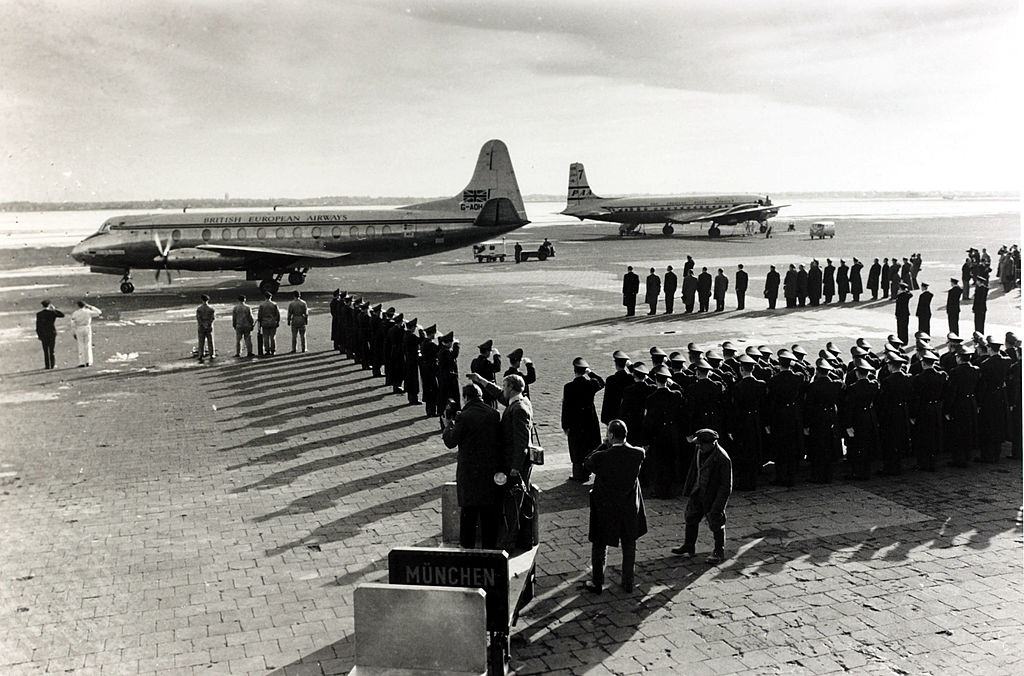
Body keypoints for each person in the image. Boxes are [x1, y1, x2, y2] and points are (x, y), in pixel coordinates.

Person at [580, 420, 647, 594]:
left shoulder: (601, 457)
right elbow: (635, 450)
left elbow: (586, 463)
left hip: (606, 508)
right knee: (629, 544)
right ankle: (628, 582)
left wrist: (603, 445)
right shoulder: (638, 454)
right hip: (628, 507)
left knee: (600, 545)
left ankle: (597, 582)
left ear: (610, 435)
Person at [442, 383, 503, 549]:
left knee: (469, 513)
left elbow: (450, 442)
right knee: (488, 513)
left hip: (469, 472)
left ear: (466, 397)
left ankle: (467, 548)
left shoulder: (464, 416)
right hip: (489, 471)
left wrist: (448, 424)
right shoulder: (494, 414)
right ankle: (490, 549)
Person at [672, 429, 732, 564]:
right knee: (691, 517)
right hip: (698, 492)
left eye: (701, 444)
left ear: (711, 443)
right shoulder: (699, 451)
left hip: (712, 496)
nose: (698, 446)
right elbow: (694, 470)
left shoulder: (722, 458)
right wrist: (689, 489)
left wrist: (719, 506)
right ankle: (689, 545)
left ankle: (718, 551)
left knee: (716, 522)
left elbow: (726, 486)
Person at [471, 373, 534, 485]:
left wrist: (516, 466)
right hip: (517, 458)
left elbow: (521, 441)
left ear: (511, 388)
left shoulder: (518, 409)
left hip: (515, 461)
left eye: (504, 386)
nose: (503, 388)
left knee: (517, 492)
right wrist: (481, 380)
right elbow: (499, 393)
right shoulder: (521, 400)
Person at [561, 357, 606, 482]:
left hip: (575, 421)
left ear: (574, 371)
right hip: (589, 419)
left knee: (576, 447)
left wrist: (565, 425)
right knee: (589, 445)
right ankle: (588, 470)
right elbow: (601, 382)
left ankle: (578, 474)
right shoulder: (590, 384)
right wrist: (590, 372)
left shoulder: (568, 387)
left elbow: (566, 407)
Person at [642, 365, 683, 498]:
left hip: (657, 435)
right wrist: (673, 383)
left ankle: (660, 490)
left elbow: (648, 421)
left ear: (655, 380)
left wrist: (646, 440)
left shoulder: (650, 398)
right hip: (672, 433)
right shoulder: (676, 395)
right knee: (671, 461)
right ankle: (672, 489)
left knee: (659, 463)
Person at [728, 355, 766, 490]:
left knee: (744, 451)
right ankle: (753, 480)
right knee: (755, 450)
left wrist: (732, 428)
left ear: (741, 369)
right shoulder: (761, 385)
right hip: (756, 420)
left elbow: (735, 409)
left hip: (743, 422)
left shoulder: (738, 387)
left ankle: (745, 482)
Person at [803, 359, 843, 483]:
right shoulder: (835, 384)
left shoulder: (813, 386)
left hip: (818, 418)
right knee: (829, 446)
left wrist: (806, 424)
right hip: (830, 417)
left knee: (817, 447)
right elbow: (839, 381)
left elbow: (808, 406)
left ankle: (817, 475)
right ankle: (828, 475)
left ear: (817, 372)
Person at [842, 360, 880, 480]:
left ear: (857, 373)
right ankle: (866, 471)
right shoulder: (873, 385)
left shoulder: (853, 388)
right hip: (869, 416)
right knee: (867, 445)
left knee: (856, 446)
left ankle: (856, 472)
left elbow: (849, 408)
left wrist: (848, 425)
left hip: (857, 418)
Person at [944, 347, 980, 467]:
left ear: (959, 358)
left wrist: (947, 409)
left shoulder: (955, 372)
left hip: (960, 403)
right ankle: (967, 455)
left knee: (958, 431)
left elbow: (952, 392)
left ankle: (958, 458)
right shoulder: (975, 370)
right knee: (968, 430)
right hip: (971, 401)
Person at [912, 351, 946, 471]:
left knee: (923, 436)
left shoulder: (919, 378)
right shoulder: (941, 375)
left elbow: (916, 397)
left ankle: (923, 462)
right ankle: (932, 461)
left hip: (924, 409)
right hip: (936, 408)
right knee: (935, 434)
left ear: (923, 364)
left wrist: (913, 413)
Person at [600, 351, 632, 425]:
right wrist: (630, 366)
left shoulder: (610, 380)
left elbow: (607, 400)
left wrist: (604, 419)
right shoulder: (631, 379)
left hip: (613, 417)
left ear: (615, 364)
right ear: (625, 364)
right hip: (628, 418)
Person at [70, 300, 102, 367]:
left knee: (80, 345)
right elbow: (99, 312)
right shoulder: (88, 312)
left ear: (78, 305)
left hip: (79, 328)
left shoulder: (75, 313)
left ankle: (81, 362)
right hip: (87, 327)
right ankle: (88, 361)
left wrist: (73, 333)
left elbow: (72, 323)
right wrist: (91, 307)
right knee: (88, 344)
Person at [471, 339, 502, 408]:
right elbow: (497, 368)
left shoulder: (474, 362)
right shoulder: (486, 363)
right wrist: (496, 355)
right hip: (488, 394)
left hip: (478, 392)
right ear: (487, 352)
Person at [419, 324, 440, 417]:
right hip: (431, 368)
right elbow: (438, 351)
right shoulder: (431, 344)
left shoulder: (424, 342)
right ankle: (432, 411)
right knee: (433, 389)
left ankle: (429, 410)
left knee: (427, 388)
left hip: (425, 368)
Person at [35, 300, 64, 369]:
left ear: (42, 306)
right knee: (51, 349)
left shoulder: (39, 314)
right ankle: (52, 364)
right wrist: (54, 309)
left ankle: (47, 365)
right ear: (49, 305)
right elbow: (62, 315)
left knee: (45, 350)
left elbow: (38, 326)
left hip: (43, 333)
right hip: (51, 332)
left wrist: (39, 335)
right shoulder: (52, 313)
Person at [257, 292, 280, 356]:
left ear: (265, 297)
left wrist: (259, 324)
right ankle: (273, 350)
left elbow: (259, 316)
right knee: (273, 337)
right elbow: (278, 314)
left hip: (265, 322)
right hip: (272, 322)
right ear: (271, 297)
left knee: (266, 337)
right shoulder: (274, 304)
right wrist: (277, 322)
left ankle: (267, 350)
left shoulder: (262, 305)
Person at [195, 294, 216, 362]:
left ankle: (201, 354)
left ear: (201, 300)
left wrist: (202, 324)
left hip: (201, 326)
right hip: (209, 326)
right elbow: (213, 318)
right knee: (210, 341)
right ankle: (212, 354)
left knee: (201, 341)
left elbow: (198, 318)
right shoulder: (211, 309)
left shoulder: (199, 309)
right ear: (208, 300)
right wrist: (208, 324)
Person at [329, 289, 345, 354]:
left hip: (335, 318)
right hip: (337, 319)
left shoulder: (333, 302)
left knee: (335, 332)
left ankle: (336, 345)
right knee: (338, 332)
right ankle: (337, 345)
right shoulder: (337, 302)